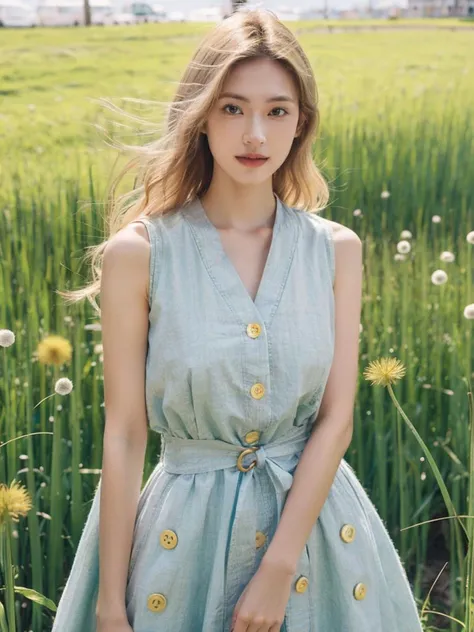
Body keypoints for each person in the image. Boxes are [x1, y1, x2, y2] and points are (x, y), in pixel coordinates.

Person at [52, 8, 424, 632]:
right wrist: (111, 603)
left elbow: (335, 420)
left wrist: (279, 569)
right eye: (231, 108)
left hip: (316, 538)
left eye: (277, 110)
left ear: (301, 121)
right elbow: (123, 436)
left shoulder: (337, 250)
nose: (255, 133)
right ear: (200, 116)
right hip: (182, 542)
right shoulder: (139, 256)